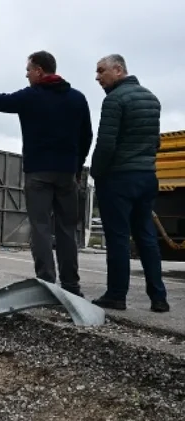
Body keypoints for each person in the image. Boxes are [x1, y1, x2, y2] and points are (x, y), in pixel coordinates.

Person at [0, 50, 92, 296]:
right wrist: (77, 167)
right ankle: (71, 286)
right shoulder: (77, 98)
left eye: (28, 70)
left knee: (40, 228)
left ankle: (46, 283)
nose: (26, 75)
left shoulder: (30, 96)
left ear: (39, 71)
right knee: (67, 230)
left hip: (38, 173)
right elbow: (86, 135)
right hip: (67, 173)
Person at [90, 54, 169, 313]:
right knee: (146, 236)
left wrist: (96, 173)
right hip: (146, 177)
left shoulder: (114, 100)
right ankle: (159, 298)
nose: (97, 77)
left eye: (101, 71)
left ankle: (116, 295)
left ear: (118, 69)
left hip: (119, 179)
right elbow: (155, 141)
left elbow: (106, 144)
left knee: (118, 238)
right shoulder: (152, 98)